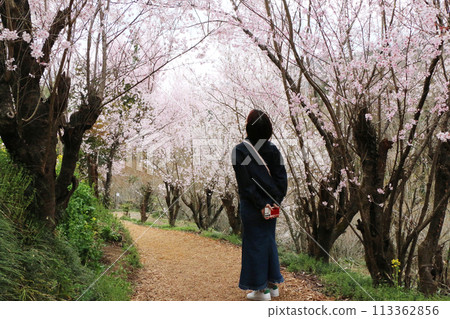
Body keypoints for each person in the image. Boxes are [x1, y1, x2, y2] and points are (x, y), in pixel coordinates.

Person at [231, 109, 288, 301]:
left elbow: (246, 186)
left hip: (252, 206)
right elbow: (282, 179)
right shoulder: (273, 150)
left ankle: (260, 290)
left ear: (248, 127)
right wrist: (274, 202)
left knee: (255, 244)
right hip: (271, 205)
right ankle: (272, 286)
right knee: (268, 241)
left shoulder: (240, 151)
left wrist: (260, 205)